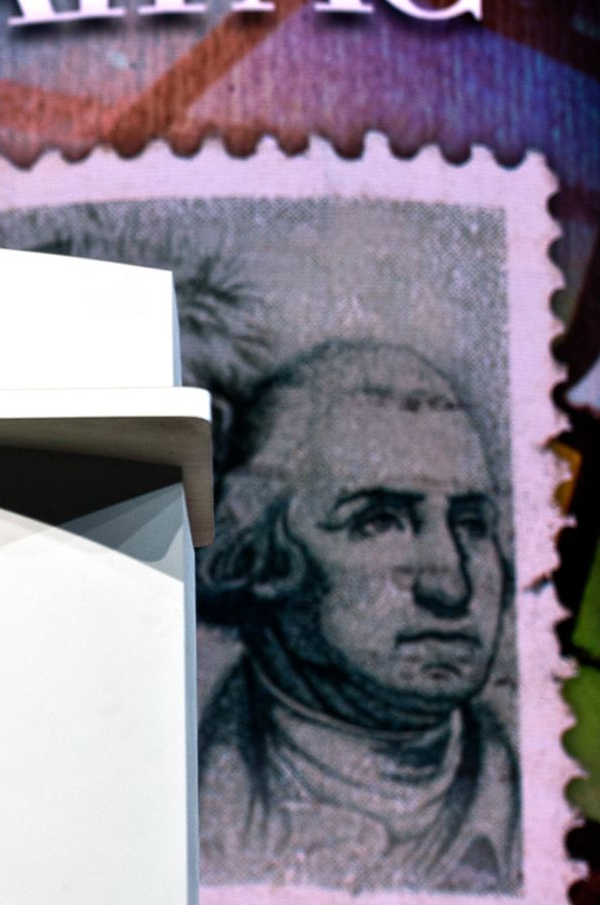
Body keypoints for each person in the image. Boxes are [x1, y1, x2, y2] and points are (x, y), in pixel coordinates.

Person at [195, 340, 520, 893]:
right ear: (261, 553)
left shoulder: (536, 807)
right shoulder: (170, 796)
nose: (451, 585)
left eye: (470, 524)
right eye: (379, 521)